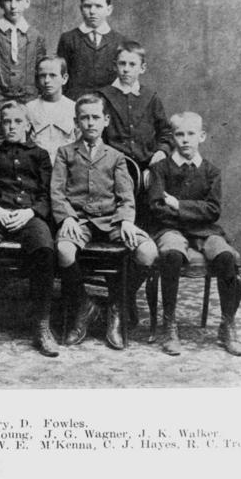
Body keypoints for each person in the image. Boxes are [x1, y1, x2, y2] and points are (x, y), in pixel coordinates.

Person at [51, 93, 158, 349]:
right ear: (76, 122)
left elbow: (126, 196)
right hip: (80, 221)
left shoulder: (116, 156)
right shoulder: (65, 153)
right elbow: (57, 191)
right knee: (64, 251)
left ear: (106, 120)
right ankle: (83, 306)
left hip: (112, 221)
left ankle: (116, 304)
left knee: (148, 252)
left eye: (95, 117)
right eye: (84, 118)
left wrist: (126, 221)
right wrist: (67, 217)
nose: (90, 123)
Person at [148, 111, 241, 357]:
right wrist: (190, 211)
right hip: (169, 228)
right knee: (171, 254)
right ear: (172, 137)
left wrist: (178, 205)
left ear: (201, 136)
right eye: (179, 134)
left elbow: (213, 210)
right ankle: (170, 326)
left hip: (205, 231)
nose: (185, 139)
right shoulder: (160, 169)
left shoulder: (211, 171)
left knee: (225, 256)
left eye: (191, 134)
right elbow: (157, 207)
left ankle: (227, 325)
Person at [0, 102, 56, 357]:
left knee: (45, 248)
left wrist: (31, 212)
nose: (12, 127)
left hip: (29, 214)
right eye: (6, 122)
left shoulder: (40, 155)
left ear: (28, 125)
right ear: (0, 127)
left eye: (17, 121)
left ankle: (42, 324)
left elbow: (47, 193)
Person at [99, 41, 173, 173]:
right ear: (115, 66)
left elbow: (166, 133)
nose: (126, 69)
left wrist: (162, 151)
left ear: (142, 68)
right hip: (112, 166)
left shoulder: (151, 97)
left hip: (147, 166)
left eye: (132, 64)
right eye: (122, 63)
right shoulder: (103, 97)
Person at [57, 0, 126, 100]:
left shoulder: (120, 41)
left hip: (109, 103)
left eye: (98, 6)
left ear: (109, 10)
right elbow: (61, 77)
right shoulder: (68, 39)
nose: (92, 11)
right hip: (75, 103)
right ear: (81, 8)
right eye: (87, 6)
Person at [25, 55, 77, 165]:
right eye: (42, 76)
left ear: (64, 78)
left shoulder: (74, 109)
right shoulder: (29, 109)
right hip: (37, 167)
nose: (47, 80)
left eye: (53, 75)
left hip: (66, 167)